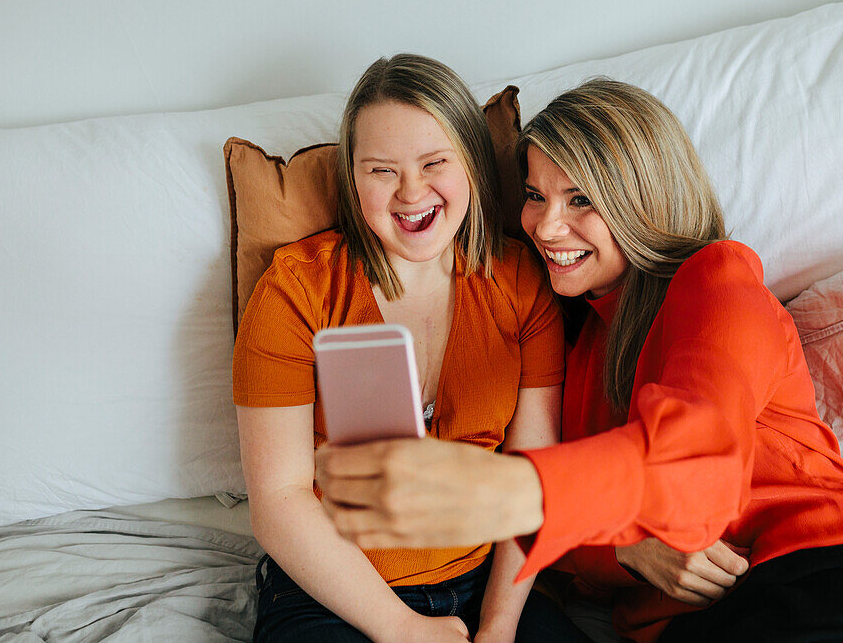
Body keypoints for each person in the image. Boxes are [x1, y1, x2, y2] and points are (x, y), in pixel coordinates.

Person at [317, 79, 843, 642]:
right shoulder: (569, 345)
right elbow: (564, 556)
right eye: (535, 194)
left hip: (831, 579)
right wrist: (626, 546)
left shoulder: (716, 282)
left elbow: (697, 456)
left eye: (582, 198)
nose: (546, 227)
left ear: (642, 194)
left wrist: (507, 491)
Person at [233, 53, 583, 643]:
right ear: (353, 177)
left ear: (470, 163)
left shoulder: (524, 284)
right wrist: (401, 629)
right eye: (381, 171)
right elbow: (278, 499)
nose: (411, 192)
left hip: (486, 585)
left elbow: (534, 476)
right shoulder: (295, 290)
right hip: (331, 592)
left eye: (434, 163)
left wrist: (497, 628)